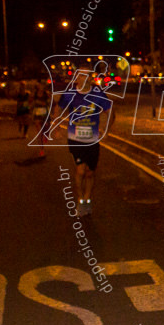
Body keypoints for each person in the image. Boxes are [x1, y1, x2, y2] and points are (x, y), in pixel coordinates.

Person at [53, 65, 113, 217]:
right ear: (76, 77)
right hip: (75, 139)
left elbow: (111, 111)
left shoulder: (97, 93)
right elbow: (59, 109)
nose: (84, 78)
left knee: (90, 173)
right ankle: (80, 200)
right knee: (80, 171)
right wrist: (56, 126)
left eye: (87, 75)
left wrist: (106, 129)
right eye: (81, 75)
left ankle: (87, 200)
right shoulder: (71, 93)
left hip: (92, 140)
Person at [30, 81, 50, 156]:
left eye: (42, 86)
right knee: (39, 133)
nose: (41, 87)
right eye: (39, 86)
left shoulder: (46, 94)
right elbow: (31, 102)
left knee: (46, 127)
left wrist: (46, 102)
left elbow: (50, 102)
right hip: (37, 114)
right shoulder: (34, 94)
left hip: (45, 113)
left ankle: (46, 134)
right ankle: (41, 149)